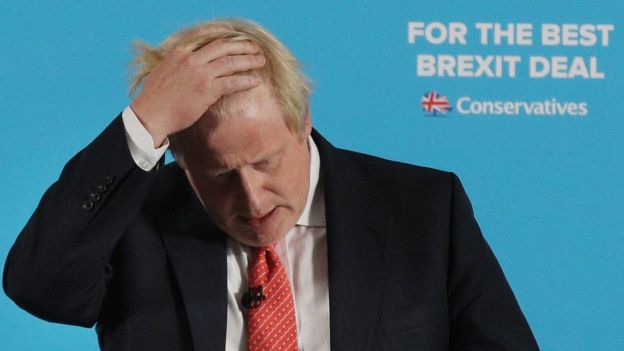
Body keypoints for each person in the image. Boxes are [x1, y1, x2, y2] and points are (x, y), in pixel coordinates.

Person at [3, 18, 539, 350]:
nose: (252, 200)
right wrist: (143, 122)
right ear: (179, 159)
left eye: (265, 162)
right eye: (218, 176)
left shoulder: (423, 208)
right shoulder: (135, 220)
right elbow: (39, 288)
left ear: (301, 118)